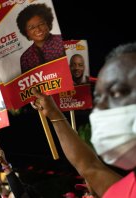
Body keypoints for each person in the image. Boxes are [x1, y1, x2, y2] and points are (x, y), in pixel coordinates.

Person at [30, 42, 136, 197]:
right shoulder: (121, 192)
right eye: (98, 98)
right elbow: (89, 167)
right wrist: (53, 113)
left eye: (117, 92)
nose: (100, 108)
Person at [16, 3, 65, 74]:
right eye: (32, 27)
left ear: (48, 23)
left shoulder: (62, 41)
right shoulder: (25, 57)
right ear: (26, 32)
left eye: (41, 24)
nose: (38, 29)